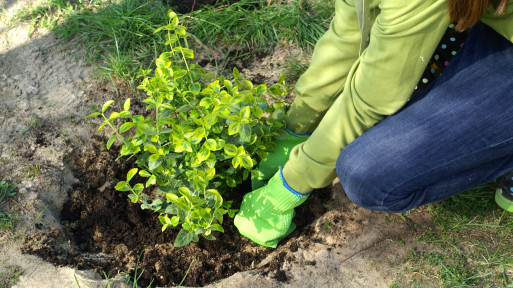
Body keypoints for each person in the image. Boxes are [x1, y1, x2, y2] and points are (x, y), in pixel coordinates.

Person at [234, 0, 513, 248]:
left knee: (368, 175)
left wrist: (290, 186)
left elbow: (372, 99)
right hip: (496, 29)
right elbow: (348, 36)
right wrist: (295, 127)